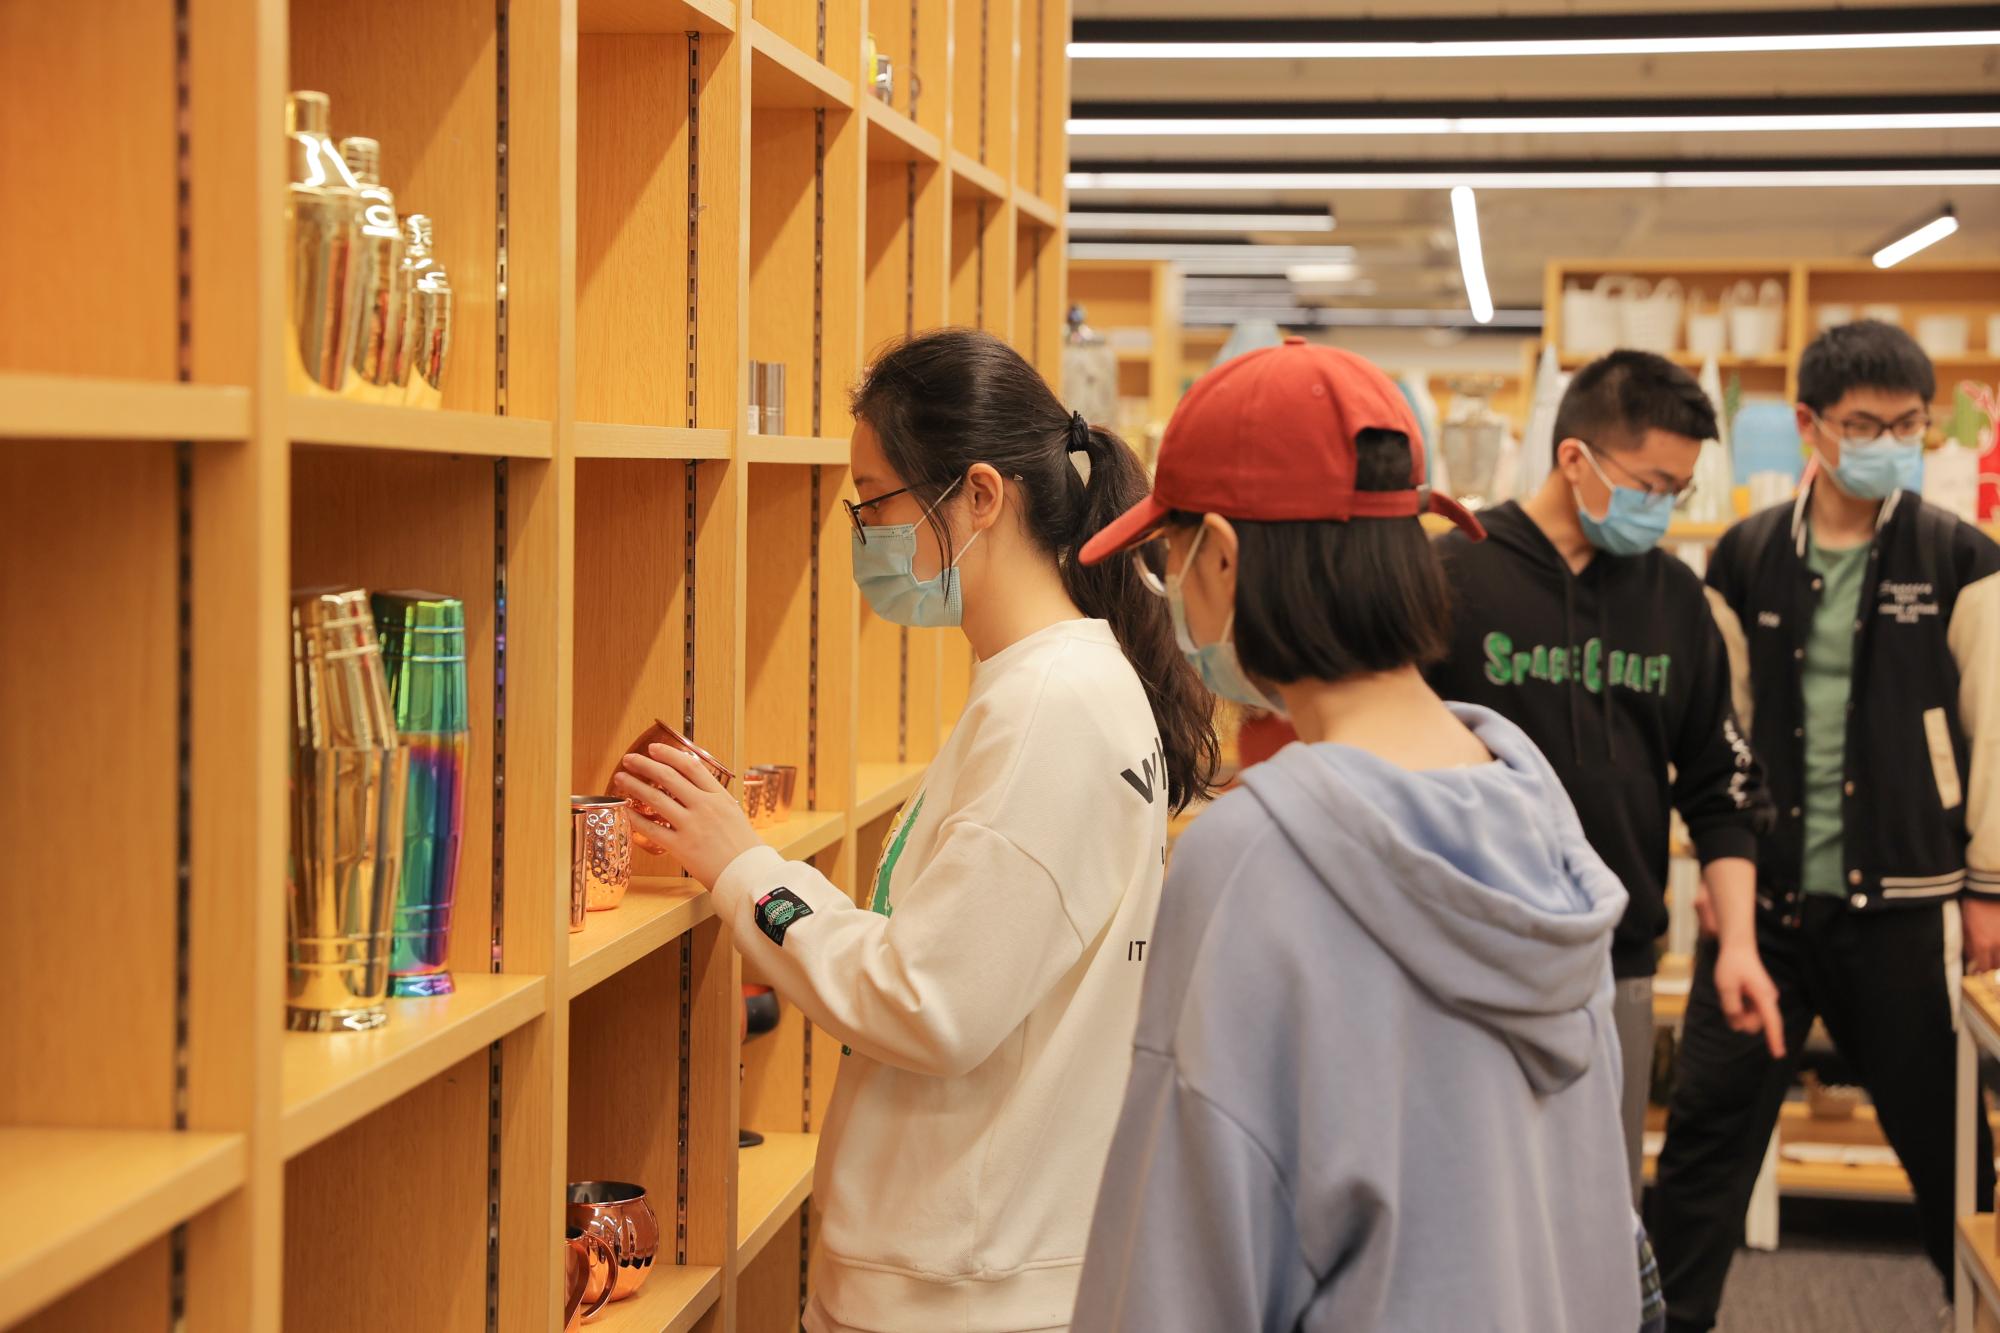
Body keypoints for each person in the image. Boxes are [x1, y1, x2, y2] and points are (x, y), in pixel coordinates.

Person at [613, 328, 1216, 1333]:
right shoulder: (1055, 683)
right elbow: (955, 949)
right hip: (985, 1267)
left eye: (875, 501)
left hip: (963, 1289)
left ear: (979, 496)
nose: (865, 534)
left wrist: (744, 868)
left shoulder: (1048, 707)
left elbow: (930, 1000)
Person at [1070, 336, 1654, 1332]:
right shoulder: (1536, 817)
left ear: (1222, 554)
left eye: (1169, 554)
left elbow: (1179, 1265)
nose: (1168, 586)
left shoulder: (1250, 858)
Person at [1651, 320, 2000, 1331]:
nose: (1889, 443)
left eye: (1908, 424)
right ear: (1808, 424)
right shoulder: (1745, 553)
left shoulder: (1960, 557)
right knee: (1701, 1154)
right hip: (1763, 916)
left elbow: (1996, 732)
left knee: (1954, 1161)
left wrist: (1988, 886)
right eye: (1864, 425)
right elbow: (1719, 733)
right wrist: (1718, 876)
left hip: (1905, 912)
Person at [1425, 349, 1783, 1203]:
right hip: (1470, 948)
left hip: (1616, 961)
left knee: (1600, 1208)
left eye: (1677, 492)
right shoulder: (1451, 575)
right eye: (1651, 485)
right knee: (1466, 1196)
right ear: (1574, 458)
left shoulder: (1676, 600)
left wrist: (1737, 944)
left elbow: (1721, 787)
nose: (1661, 508)